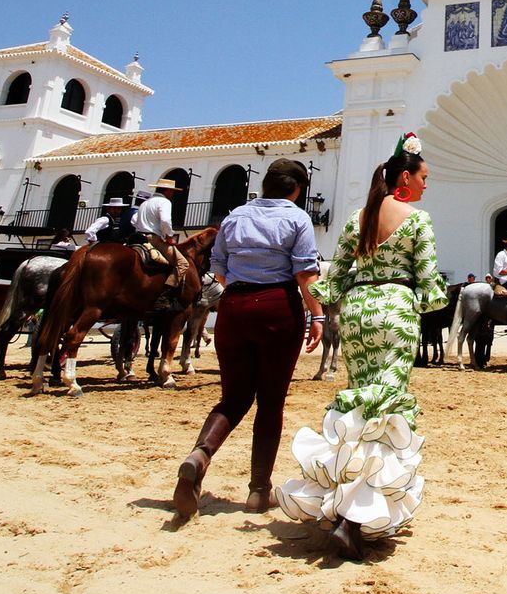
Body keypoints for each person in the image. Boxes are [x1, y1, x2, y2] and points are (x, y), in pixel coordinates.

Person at [276, 132, 448, 561]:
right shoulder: (418, 220)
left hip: (356, 312)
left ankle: (340, 501)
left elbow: (333, 279)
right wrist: (427, 298)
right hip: (395, 312)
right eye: (424, 177)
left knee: (359, 405)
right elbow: (430, 284)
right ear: (405, 178)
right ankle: (355, 518)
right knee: (386, 407)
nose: (427, 184)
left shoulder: (358, 218)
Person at [172, 159, 323, 522]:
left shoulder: (235, 216)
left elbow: (219, 270)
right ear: (296, 189)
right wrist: (317, 314)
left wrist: (244, 292)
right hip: (277, 307)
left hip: (234, 307)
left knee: (233, 398)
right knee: (270, 402)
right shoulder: (297, 218)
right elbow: (305, 273)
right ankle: (258, 490)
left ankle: (200, 454)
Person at [135, 179, 180, 271]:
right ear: (168, 190)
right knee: (182, 264)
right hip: (153, 240)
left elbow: (135, 221)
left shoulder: (145, 203)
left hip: (138, 238)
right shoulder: (164, 202)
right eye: (172, 191)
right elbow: (165, 220)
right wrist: (169, 237)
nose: (172, 194)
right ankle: (170, 281)